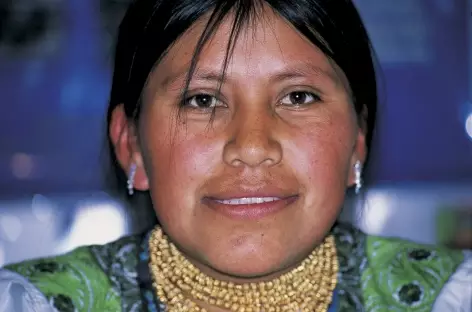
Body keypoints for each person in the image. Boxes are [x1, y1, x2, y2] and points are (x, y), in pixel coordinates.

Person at [1, 0, 471, 311]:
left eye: (299, 97)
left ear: (358, 139)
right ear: (132, 146)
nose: (251, 147)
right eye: (202, 100)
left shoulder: (449, 298)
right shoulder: (29, 302)